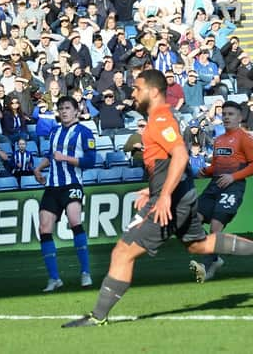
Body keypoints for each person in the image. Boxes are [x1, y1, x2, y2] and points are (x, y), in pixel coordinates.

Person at [63, 71, 253, 328]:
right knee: (198, 245)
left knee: (122, 253)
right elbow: (171, 161)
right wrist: (153, 190)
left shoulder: (161, 117)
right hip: (177, 194)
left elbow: (180, 156)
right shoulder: (157, 118)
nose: (132, 92)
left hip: (172, 199)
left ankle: (98, 316)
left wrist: (163, 196)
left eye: (137, 88)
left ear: (152, 91)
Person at [33, 95, 96, 292]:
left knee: (74, 219)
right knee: (44, 228)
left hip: (72, 184)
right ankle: (54, 278)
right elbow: (51, 156)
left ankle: (85, 272)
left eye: (67, 108)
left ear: (76, 111)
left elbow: (90, 161)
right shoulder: (55, 131)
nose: (64, 111)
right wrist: (38, 169)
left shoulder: (85, 133)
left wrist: (66, 158)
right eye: (61, 108)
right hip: (52, 185)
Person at [189, 101, 253, 282]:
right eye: (224, 114)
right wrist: (206, 171)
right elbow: (217, 165)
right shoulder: (219, 140)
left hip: (232, 187)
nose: (226, 117)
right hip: (214, 185)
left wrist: (234, 177)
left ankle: (208, 267)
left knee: (215, 228)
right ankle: (215, 259)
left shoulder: (244, 138)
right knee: (193, 221)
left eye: (231, 114)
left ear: (240, 118)